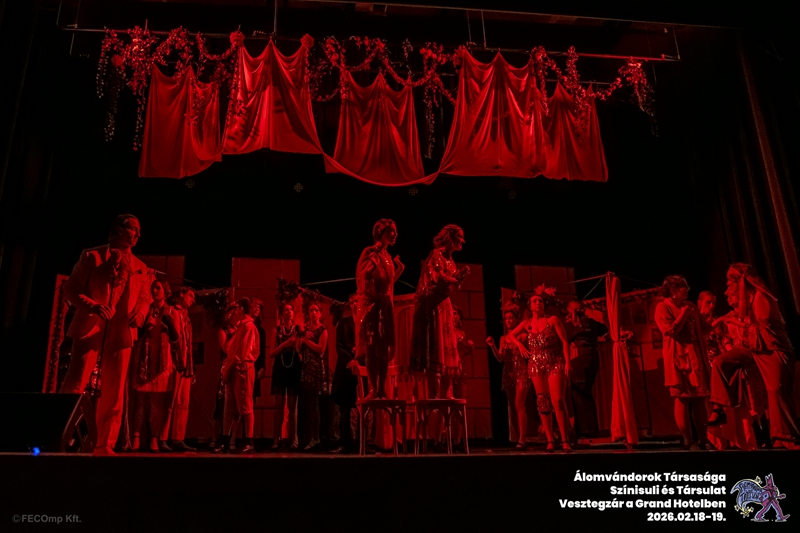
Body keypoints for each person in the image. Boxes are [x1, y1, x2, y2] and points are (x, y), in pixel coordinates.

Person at [61, 215, 152, 455]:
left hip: (122, 329)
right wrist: (92, 306)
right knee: (76, 381)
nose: (137, 234)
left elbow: (145, 297)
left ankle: (105, 443)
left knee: (115, 388)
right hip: (91, 325)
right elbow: (71, 289)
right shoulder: (92, 256)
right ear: (119, 229)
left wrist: (140, 314)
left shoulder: (141, 267)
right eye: (133, 229)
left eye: (139, 231)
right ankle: (63, 436)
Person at [708, 264, 800, 448]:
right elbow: (746, 321)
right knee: (721, 362)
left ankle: (787, 436)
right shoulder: (746, 300)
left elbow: (763, 326)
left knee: (775, 389)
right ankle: (719, 408)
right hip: (753, 347)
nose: (728, 287)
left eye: (731, 282)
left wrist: (735, 321)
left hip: (771, 348)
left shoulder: (761, 297)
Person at [508, 286, 573, 452]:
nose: (538, 303)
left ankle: (565, 439)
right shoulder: (527, 324)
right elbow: (511, 335)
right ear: (530, 306)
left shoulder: (552, 320)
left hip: (554, 360)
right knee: (543, 401)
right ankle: (550, 440)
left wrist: (568, 362)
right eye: (535, 301)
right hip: (536, 363)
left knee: (558, 399)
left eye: (541, 301)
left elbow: (564, 341)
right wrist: (520, 346)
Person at [410, 224, 470, 398]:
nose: (462, 241)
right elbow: (437, 277)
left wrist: (459, 278)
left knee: (445, 347)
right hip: (433, 306)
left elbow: (452, 286)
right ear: (450, 237)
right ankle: (433, 394)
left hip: (444, 304)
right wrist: (454, 278)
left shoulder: (451, 261)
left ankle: (446, 392)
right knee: (434, 346)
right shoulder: (436, 255)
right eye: (459, 237)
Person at [654, 275, 711, 450]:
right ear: (673, 289)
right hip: (679, 358)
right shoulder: (662, 307)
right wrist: (684, 314)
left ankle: (703, 439)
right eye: (683, 286)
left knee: (700, 399)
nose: (687, 289)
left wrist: (719, 319)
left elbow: (704, 328)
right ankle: (688, 440)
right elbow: (670, 330)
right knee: (682, 399)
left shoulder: (690, 305)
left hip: (697, 357)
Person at [355, 219, 404, 399]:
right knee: (371, 345)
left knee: (384, 346)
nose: (394, 234)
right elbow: (361, 277)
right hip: (372, 306)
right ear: (381, 232)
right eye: (391, 231)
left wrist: (399, 269)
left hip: (385, 305)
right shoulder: (370, 252)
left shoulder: (388, 257)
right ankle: (373, 388)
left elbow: (388, 283)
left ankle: (381, 388)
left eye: (395, 231)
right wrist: (369, 270)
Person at [131, 280, 179, 452]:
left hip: (162, 362)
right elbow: (135, 333)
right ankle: (136, 438)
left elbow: (176, 338)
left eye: (158, 288)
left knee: (157, 403)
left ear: (165, 291)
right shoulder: (146, 310)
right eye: (153, 288)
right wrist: (144, 327)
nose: (154, 290)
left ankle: (154, 438)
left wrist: (169, 324)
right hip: (143, 360)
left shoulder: (171, 311)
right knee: (140, 401)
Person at [215, 298, 260, 454]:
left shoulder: (248, 327)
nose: (234, 312)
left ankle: (249, 440)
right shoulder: (241, 327)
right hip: (234, 369)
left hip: (242, 369)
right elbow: (231, 350)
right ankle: (225, 440)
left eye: (237, 308)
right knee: (229, 406)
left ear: (241, 308)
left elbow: (241, 353)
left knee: (246, 406)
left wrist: (228, 368)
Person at [563, 299, 608, 438]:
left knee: (579, 393)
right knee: (586, 392)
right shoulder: (592, 322)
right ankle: (590, 428)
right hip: (593, 357)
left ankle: (586, 430)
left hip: (581, 358)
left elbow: (564, 340)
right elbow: (604, 329)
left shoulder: (573, 325)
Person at [487, 306, 530, 448]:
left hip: (521, 372)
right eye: (506, 319)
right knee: (512, 406)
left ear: (517, 319)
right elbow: (500, 358)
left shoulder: (523, 335)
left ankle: (523, 438)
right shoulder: (503, 338)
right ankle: (519, 438)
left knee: (519, 404)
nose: (509, 321)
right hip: (508, 373)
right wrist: (493, 346)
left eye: (511, 318)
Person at [162, 287, 197, 452]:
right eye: (190, 295)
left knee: (183, 402)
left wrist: (191, 366)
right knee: (169, 401)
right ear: (181, 295)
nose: (192, 299)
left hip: (185, 364)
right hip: (175, 362)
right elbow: (171, 337)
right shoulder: (172, 311)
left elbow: (188, 343)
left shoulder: (186, 316)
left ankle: (178, 438)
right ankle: (162, 437)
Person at [269, 302, 301, 450]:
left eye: (291, 309)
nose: (289, 312)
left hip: (293, 365)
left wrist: (296, 342)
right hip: (280, 366)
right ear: (282, 314)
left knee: (293, 405)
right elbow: (271, 353)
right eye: (286, 310)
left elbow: (299, 349)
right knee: (279, 405)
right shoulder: (276, 331)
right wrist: (285, 344)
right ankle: (276, 438)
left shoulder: (298, 330)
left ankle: (294, 438)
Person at [298, 303, 329, 450]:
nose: (314, 312)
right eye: (311, 310)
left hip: (317, 370)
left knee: (314, 404)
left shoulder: (323, 329)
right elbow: (298, 349)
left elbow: (321, 348)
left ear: (320, 313)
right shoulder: (306, 330)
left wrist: (307, 341)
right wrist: (302, 339)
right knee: (308, 404)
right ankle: (308, 436)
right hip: (306, 370)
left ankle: (316, 437)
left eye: (316, 310)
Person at [330, 295, 358, 454]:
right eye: (352, 302)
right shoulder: (344, 323)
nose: (355, 304)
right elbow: (339, 346)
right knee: (345, 408)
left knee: (361, 407)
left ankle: (362, 441)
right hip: (346, 370)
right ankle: (346, 442)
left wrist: (359, 359)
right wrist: (351, 358)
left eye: (357, 301)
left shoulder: (365, 323)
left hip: (361, 370)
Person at [211, 303, 239, 450]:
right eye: (232, 313)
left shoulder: (241, 329)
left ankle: (233, 438)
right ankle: (218, 437)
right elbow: (226, 348)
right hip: (226, 369)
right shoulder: (224, 331)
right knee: (222, 404)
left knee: (236, 406)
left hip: (238, 369)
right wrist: (235, 334)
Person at [450, 306, 473, 450]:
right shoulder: (446, 332)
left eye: (456, 313)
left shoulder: (462, 333)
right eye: (452, 313)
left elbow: (465, 353)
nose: (454, 316)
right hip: (449, 371)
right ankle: (445, 438)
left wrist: (470, 348)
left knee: (460, 406)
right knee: (449, 405)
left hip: (461, 371)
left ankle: (457, 440)